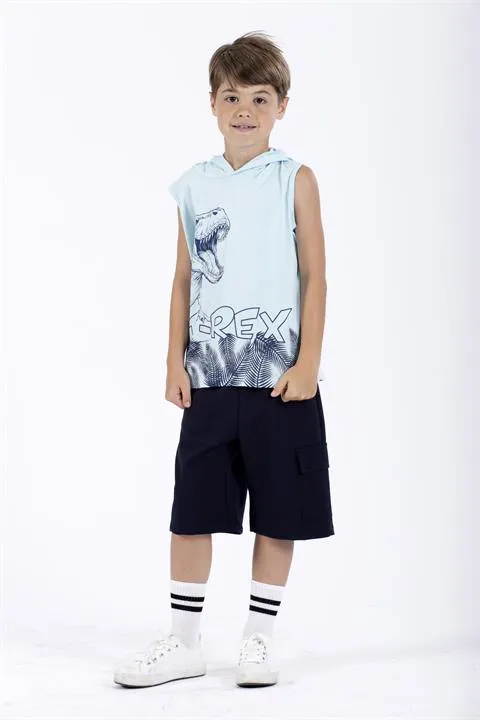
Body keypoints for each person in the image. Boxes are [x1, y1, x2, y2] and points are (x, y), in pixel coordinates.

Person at [113, 30, 334, 690]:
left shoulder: (296, 179)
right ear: (212, 103)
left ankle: (258, 639)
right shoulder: (194, 185)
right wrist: (173, 361)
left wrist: (308, 362)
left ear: (281, 106)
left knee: (279, 510)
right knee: (194, 508)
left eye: (260, 98)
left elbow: (315, 276)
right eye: (233, 96)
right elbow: (184, 278)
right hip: (208, 377)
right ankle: (183, 642)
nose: (245, 110)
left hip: (280, 380)